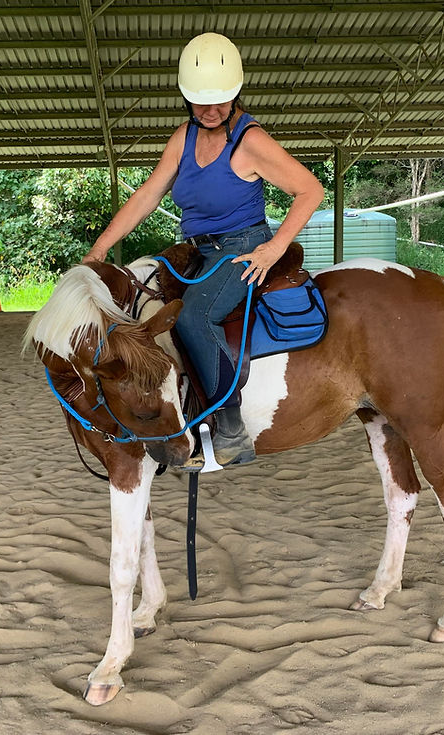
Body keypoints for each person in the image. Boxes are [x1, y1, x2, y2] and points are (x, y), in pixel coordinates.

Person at [83, 32, 323, 466]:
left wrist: (273, 249)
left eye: (220, 102)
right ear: (185, 99)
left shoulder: (249, 140)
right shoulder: (184, 137)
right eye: (199, 103)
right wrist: (99, 249)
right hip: (195, 251)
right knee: (144, 301)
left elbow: (310, 190)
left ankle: (231, 429)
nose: (210, 112)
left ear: (236, 94)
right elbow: (147, 195)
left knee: (194, 317)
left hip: (241, 248)